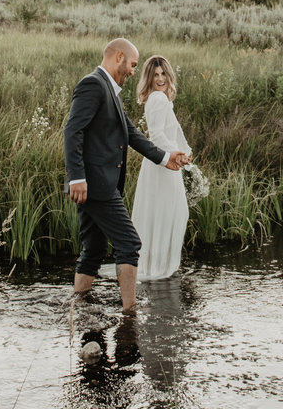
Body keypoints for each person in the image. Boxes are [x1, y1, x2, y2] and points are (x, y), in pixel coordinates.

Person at [64, 38, 189, 312]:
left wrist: (166, 157)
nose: (134, 71)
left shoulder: (110, 90)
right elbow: (73, 131)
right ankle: (130, 311)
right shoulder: (93, 84)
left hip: (97, 185)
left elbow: (131, 134)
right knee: (130, 243)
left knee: (94, 250)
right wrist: (77, 178)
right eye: (132, 64)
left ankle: (78, 305)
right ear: (119, 57)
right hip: (95, 185)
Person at [132, 56, 193, 281]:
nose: (160, 79)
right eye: (155, 75)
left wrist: (186, 150)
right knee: (170, 213)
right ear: (149, 78)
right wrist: (176, 154)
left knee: (163, 213)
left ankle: (157, 264)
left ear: (168, 74)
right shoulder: (157, 99)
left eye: (163, 73)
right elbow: (157, 136)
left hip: (165, 161)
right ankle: (159, 268)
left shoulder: (161, 100)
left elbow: (174, 130)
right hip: (163, 163)